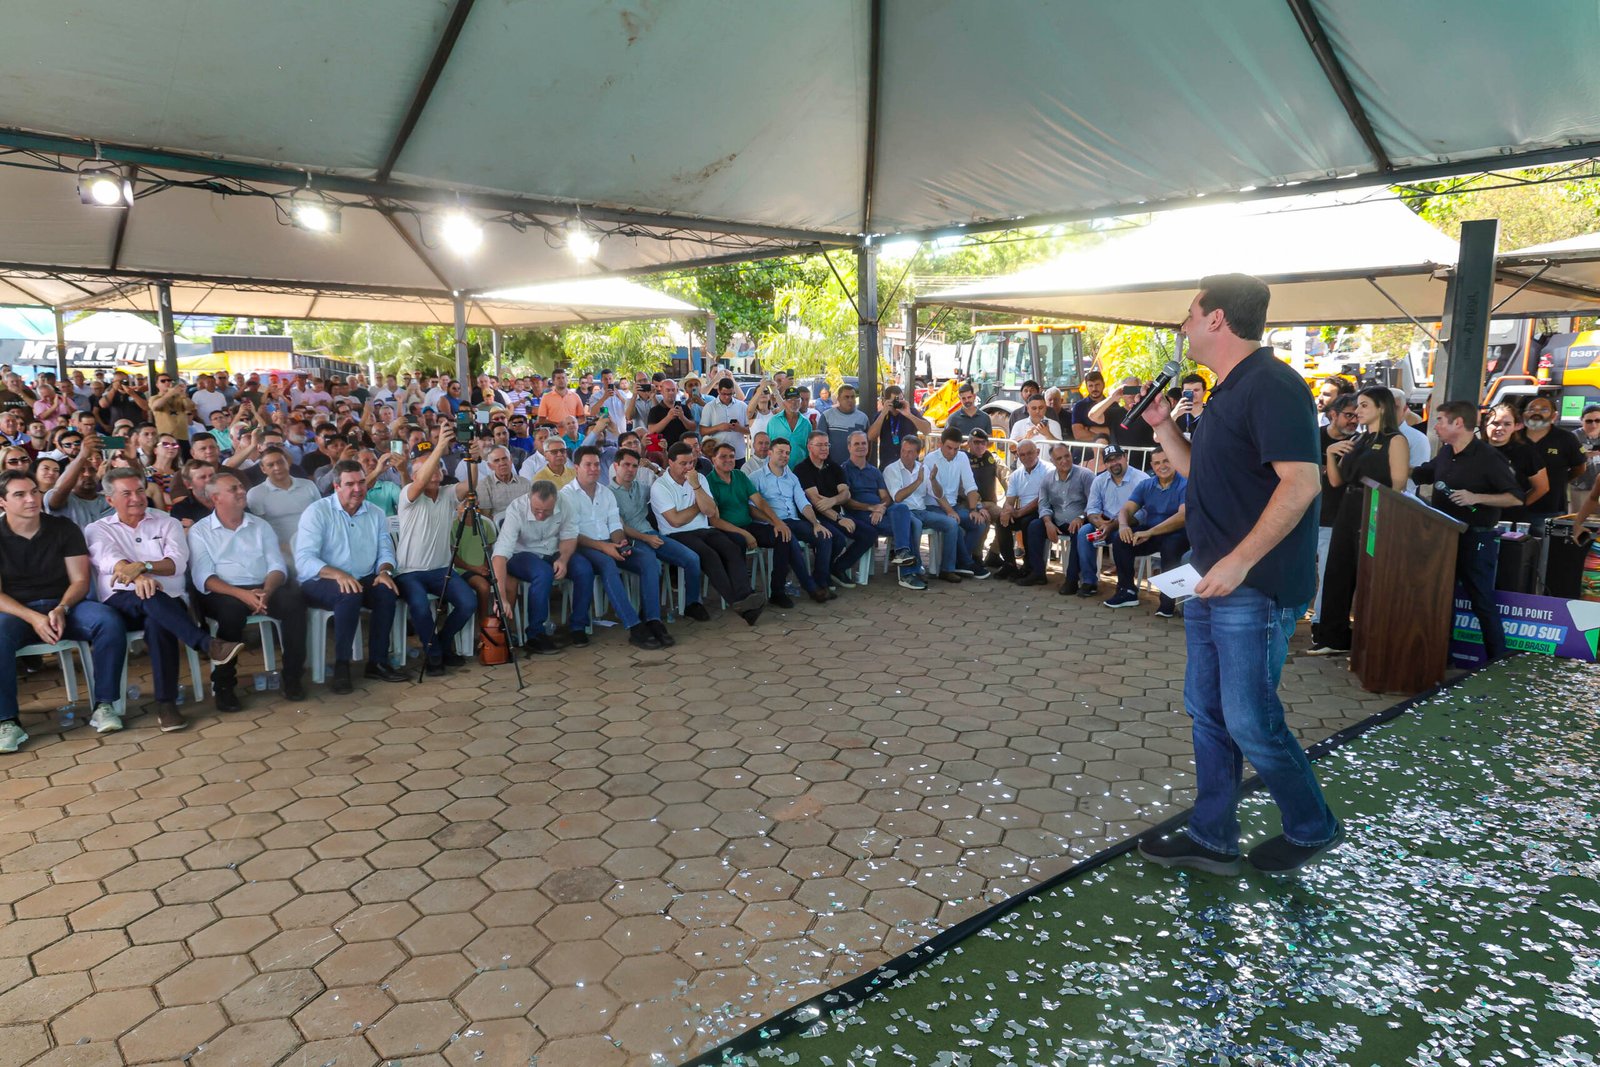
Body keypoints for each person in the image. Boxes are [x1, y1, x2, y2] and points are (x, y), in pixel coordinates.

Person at [1134, 273, 1342, 876]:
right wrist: (1163, 427)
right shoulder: (1229, 389)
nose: (1184, 325)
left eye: (1190, 314)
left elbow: (1300, 483)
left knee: (1249, 717)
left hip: (1251, 583)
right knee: (1207, 709)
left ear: (1218, 318)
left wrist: (1240, 560)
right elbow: (1207, 476)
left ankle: (1312, 826)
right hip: (1213, 578)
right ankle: (1213, 834)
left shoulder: (1273, 385)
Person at [88, 467, 245, 733]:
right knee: (150, 597)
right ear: (110, 499)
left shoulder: (166, 521)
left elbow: (176, 564)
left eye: (140, 490)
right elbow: (110, 561)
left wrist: (142, 565)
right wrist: (139, 577)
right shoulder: (97, 529)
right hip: (121, 603)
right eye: (126, 493)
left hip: (168, 601)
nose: (136, 498)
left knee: (157, 619)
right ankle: (205, 646)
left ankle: (167, 703)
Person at [0, 471, 128, 749]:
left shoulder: (63, 528)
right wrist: (33, 617)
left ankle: (104, 705)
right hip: (17, 613)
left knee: (108, 621)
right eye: (19, 494)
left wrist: (62, 608)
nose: (31, 499)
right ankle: (7, 721)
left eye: (34, 491)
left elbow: (80, 580)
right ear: (2, 502)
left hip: (67, 605)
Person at [1412, 400, 1524, 663]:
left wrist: (1477, 497)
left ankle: (1498, 659)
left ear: (1458, 423)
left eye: (1440, 420)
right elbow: (1420, 474)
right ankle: (1443, 657)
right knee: (1443, 597)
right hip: (1444, 537)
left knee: (1481, 599)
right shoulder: (1446, 453)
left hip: (1477, 537)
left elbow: (1516, 497)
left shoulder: (1488, 457)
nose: (1435, 426)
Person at [189, 469, 308, 707]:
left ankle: (292, 677)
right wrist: (241, 594)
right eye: (233, 489)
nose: (242, 491)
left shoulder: (260, 526)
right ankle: (224, 684)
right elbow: (204, 577)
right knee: (230, 612)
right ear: (216, 499)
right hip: (224, 591)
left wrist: (267, 591)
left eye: (241, 487)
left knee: (295, 603)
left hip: (263, 587)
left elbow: (277, 566)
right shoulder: (200, 531)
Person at [1307, 387, 1411, 656]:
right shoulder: (1360, 439)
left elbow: (1397, 484)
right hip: (1348, 506)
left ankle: (1371, 639)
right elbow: (1336, 480)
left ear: (1382, 408)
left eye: (1364, 406)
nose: (1358, 412)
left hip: (1376, 508)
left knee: (1367, 575)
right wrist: (1330, 453)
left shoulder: (1395, 440)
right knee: (1337, 571)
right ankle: (1332, 636)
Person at [294, 460, 408, 694]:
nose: (357, 489)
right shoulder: (318, 511)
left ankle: (377, 662)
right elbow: (304, 559)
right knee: (349, 594)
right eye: (350, 484)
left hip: (363, 576)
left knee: (387, 591)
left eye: (361, 482)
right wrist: (338, 575)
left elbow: (385, 549)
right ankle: (342, 665)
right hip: (320, 580)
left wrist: (385, 571)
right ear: (336, 486)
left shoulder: (374, 513)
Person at [561, 445, 670, 650]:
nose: (594, 468)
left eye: (596, 464)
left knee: (648, 560)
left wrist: (619, 542)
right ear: (576, 467)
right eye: (588, 465)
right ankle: (634, 626)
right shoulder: (566, 495)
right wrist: (605, 547)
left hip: (609, 544)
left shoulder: (605, 492)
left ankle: (653, 620)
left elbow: (615, 525)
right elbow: (571, 534)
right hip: (582, 547)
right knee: (607, 565)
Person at [652, 442, 764, 623]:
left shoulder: (699, 479)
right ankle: (738, 603)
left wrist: (696, 487)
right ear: (670, 463)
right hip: (676, 533)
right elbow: (676, 520)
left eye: (691, 462)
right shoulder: (660, 486)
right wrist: (699, 505)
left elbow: (711, 512)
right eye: (683, 463)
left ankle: (745, 598)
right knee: (709, 555)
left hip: (704, 529)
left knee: (732, 546)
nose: (689, 467)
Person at [394, 429, 476, 675]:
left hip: (442, 569)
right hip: (410, 572)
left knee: (467, 602)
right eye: (428, 468)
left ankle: (439, 642)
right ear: (414, 475)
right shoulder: (408, 495)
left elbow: (471, 484)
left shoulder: (447, 494)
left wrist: (474, 460)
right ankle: (435, 656)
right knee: (419, 606)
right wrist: (440, 445)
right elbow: (419, 482)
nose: (435, 472)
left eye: (438, 467)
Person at [612, 447, 709, 622]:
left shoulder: (642, 488)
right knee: (653, 565)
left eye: (634, 466)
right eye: (626, 465)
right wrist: (646, 538)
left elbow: (668, 480)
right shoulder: (608, 492)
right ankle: (649, 614)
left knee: (692, 558)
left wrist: (656, 468)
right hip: (631, 539)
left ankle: (692, 604)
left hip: (652, 535)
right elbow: (619, 527)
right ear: (615, 466)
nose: (630, 470)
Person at [492, 481, 578, 656]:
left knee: (582, 568)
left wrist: (563, 559)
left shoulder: (564, 503)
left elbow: (569, 536)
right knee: (543, 573)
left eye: (547, 511)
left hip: (553, 550)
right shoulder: (516, 509)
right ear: (530, 498)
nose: (540, 516)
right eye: (536, 510)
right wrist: (500, 596)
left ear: (555, 501)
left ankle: (579, 626)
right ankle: (535, 633)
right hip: (521, 554)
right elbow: (500, 554)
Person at [1102, 448, 1189, 616]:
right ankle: (1127, 591)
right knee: (1120, 540)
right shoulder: (1146, 484)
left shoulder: (1185, 483)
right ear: (1152, 466)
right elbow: (1126, 509)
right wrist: (1123, 526)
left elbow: (1182, 517)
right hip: (1152, 533)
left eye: (1166, 461)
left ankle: (1167, 602)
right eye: (1157, 463)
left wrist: (1149, 532)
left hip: (1178, 533)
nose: (1162, 466)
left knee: (1171, 546)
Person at [840, 431, 926, 590]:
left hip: (878, 513)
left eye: (864, 443)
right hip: (858, 514)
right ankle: (908, 574)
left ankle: (901, 553)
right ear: (849, 447)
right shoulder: (844, 470)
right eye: (856, 444)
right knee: (910, 525)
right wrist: (870, 507)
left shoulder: (874, 471)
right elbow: (846, 500)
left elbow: (886, 497)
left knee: (901, 508)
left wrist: (880, 508)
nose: (861, 447)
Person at [794, 431, 877, 588]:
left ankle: (837, 568)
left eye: (827, 444)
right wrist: (840, 519)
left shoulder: (834, 467)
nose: (824, 448)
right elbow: (817, 502)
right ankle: (821, 576)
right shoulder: (802, 469)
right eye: (820, 445)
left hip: (836, 513)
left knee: (869, 534)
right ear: (809, 447)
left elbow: (845, 493)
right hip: (814, 517)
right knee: (836, 538)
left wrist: (833, 500)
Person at [1068, 444, 1148, 599]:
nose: (1114, 463)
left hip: (1130, 526)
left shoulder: (1141, 479)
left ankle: (1125, 586)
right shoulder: (1100, 480)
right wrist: (1101, 524)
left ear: (1125, 457)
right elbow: (1091, 509)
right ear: (1105, 464)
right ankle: (1089, 581)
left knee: (1120, 537)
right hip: (1104, 524)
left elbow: (1143, 514)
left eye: (1117, 458)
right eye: (1109, 461)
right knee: (1084, 532)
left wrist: (1113, 525)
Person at [1310, 394, 1359, 626]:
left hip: (1336, 520)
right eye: (1349, 415)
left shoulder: (1358, 443)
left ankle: (1320, 624)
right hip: (1306, 517)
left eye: (1357, 415)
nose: (1354, 420)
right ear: (1332, 415)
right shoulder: (1312, 438)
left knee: (1329, 577)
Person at [1026, 442, 1094, 592]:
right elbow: (1043, 504)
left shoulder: (1085, 475)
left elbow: (1094, 503)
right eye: (1059, 458)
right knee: (1034, 526)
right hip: (1056, 521)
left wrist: (1081, 517)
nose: (1064, 461)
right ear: (1052, 461)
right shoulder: (1047, 479)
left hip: (1079, 521)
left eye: (1067, 456)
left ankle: (1072, 580)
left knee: (1079, 532)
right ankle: (1037, 572)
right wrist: (1048, 522)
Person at [246, 446, 321, 568]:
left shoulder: (308, 485)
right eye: (270, 465)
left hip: (314, 543)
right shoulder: (256, 494)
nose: (277, 467)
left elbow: (321, 517)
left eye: (280, 462)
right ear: (263, 469)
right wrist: (289, 548)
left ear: (288, 462)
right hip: (281, 550)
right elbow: (260, 531)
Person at [1518, 394, 1586, 524]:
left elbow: (1580, 467)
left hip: (1552, 509)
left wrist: (1559, 481)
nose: (1536, 413)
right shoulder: (1514, 438)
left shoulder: (1566, 438)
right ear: (1523, 414)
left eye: (1544, 410)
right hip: (1516, 508)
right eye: (1531, 409)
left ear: (1554, 416)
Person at [993, 440, 1052, 580]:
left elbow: (1042, 498)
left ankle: (1028, 566)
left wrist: (1019, 512)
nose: (1026, 457)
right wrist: (1006, 512)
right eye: (1022, 455)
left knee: (1027, 522)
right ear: (1018, 456)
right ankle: (1010, 564)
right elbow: (1009, 500)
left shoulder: (1048, 470)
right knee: (1001, 521)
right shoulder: (1016, 475)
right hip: (1023, 511)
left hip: (1043, 510)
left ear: (1037, 452)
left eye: (1030, 453)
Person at [1484, 401, 1550, 523]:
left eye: (1507, 424)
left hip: (1510, 521)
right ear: (1485, 424)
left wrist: (1519, 504)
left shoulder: (1525, 453)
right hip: (1477, 516)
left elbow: (1542, 487)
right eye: (1495, 423)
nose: (1500, 428)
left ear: (1515, 426)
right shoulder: (1474, 450)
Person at [867, 384, 931, 467]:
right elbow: (871, 437)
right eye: (895, 400)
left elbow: (927, 430)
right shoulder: (881, 415)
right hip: (888, 464)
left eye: (901, 399)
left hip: (909, 464)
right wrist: (883, 414)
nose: (898, 403)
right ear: (886, 401)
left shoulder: (911, 412)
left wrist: (909, 415)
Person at [699, 378, 750, 461]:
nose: (727, 397)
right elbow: (702, 431)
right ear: (718, 391)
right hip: (717, 455)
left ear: (733, 391)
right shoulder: (709, 407)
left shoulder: (742, 406)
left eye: (730, 394)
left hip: (738, 454)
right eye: (724, 394)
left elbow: (750, 430)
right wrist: (719, 427)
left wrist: (740, 428)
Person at [818, 385, 870, 464]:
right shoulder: (827, 416)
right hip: (832, 468)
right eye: (846, 397)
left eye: (852, 397)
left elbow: (869, 443)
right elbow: (820, 444)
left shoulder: (863, 418)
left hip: (856, 468)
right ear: (838, 399)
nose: (850, 400)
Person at [765, 388, 814, 468]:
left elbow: (809, 448)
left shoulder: (806, 423)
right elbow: (769, 446)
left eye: (797, 400)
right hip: (778, 469)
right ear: (784, 402)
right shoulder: (774, 421)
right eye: (790, 400)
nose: (794, 403)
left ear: (800, 402)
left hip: (800, 469)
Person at [1574, 405, 1600, 513]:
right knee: (1579, 519)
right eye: (1589, 421)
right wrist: (1583, 455)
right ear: (1581, 420)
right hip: (1580, 487)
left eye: (1598, 420)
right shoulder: (1573, 437)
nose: (1594, 425)